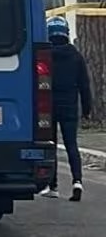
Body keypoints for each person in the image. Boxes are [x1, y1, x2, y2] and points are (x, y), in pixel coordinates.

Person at [41, 16, 94, 201]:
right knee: (72, 144)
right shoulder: (75, 56)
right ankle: (77, 181)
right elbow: (84, 85)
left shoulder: (45, 55)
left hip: (48, 105)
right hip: (70, 105)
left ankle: (53, 185)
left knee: (52, 144)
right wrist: (87, 109)